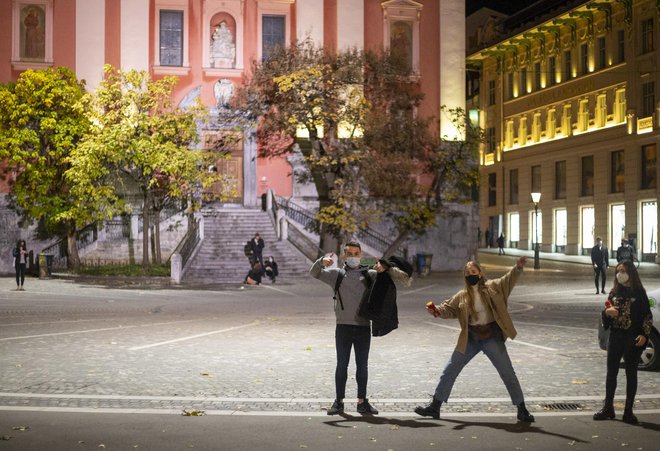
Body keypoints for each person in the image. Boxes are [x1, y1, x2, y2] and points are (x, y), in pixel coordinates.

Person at [415, 256, 535, 423]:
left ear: (480, 273)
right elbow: (448, 308)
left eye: (473, 271)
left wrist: (518, 267)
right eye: (467, 273)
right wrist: (436, 311)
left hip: (491, 337)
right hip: (470, 338)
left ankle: (522, 409)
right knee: (450, 369)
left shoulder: (494, 287)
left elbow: (509, 279)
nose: (470, 274)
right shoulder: (462, 296)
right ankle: (435, 406)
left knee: (507, 372)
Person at [309, 241, 384, 416]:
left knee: (362, 366)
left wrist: (383, 269)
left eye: (356, 253)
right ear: (344, 255)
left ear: (361, 255)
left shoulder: (369, 275)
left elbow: (389, 281)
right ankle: (338, 402)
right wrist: (321, 261)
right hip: (343, 327)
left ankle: (362, 402)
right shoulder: (337, 274)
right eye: (349, 253)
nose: (352, 257)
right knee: (342, 365)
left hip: (363, 327)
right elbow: (314, 273)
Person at [594, 260, 653, 424]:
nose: (620, 274)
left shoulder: (639, 293)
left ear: (631, 273)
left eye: (623, 271)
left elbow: (647, 316)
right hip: (616, 336)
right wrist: (608, 312)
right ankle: (608, 408)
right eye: (618, 271)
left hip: (632, 337)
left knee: (631, 373)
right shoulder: (614, 291)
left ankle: (628, 411)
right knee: (611, 372)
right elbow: (605, 312)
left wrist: (644, 335)